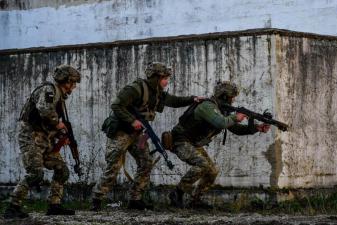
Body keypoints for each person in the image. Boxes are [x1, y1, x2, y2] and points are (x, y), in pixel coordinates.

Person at [91, 62, 203, 211]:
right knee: (114, 166)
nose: (167, 81)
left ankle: (135, 199)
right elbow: (116, 106)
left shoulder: (156, 92)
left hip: (137, 134)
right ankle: (96, 200)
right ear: (155, 77)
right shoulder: (135, 89)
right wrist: (132, 120)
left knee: (146, 163)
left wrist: (192, 99)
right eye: (164, 78)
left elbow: (173, 101)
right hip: (121, 131)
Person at [168, 81, 271, 209]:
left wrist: (257, 127)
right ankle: (177, 193)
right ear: (224, 96)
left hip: (193, 143)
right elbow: (220, 123)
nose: (233, 100)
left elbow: (236, 129)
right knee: (202, 164)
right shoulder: (207, 106)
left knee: (212, 171)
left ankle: (196, 200)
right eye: (232, 97)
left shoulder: (222, 110)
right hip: (180, 140)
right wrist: (235, 117)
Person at [3, 65, 81, 219]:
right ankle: (12, 207)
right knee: (35, 174)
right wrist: (57, 124)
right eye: (73, 82)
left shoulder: (58, 95)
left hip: (45, 140)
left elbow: (47, 122)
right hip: (32, 137)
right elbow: (44, 110)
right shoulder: (49, 90)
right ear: (66, 80)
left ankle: (54, 205)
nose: (74, 86)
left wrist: (60, 135)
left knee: (62, 170)